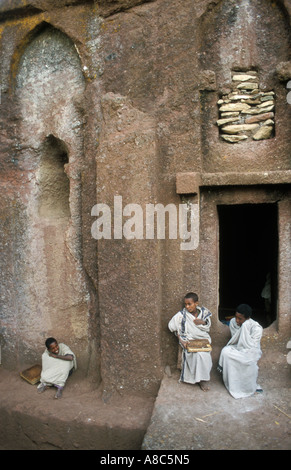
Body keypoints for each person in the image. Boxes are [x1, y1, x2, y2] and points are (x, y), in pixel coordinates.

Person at [168, 292, 212, 391]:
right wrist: (181, 340)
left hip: (203, 339)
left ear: (196, 303)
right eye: (185, 304)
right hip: (189, 340)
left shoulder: (203, 313)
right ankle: (199, 379)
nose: (187, 307)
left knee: (205, 355)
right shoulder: (181, 315)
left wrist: (203, 322)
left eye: (190, 304)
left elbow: (208, 325)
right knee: (197, 354)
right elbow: (171, 326)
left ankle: (203, 379)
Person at [218, 304, 263, 399]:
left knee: (249, 360)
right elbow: (235, 340)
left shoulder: (257, 328)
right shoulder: (233, 322)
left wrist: (245, 328)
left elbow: (252, 347)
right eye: (236, 317)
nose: (237, 321)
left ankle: (247, 388)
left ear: (248, 318)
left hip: (251, 351)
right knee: (225, 351)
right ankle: (233, 385)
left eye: (240, 319)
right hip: (237, 348)